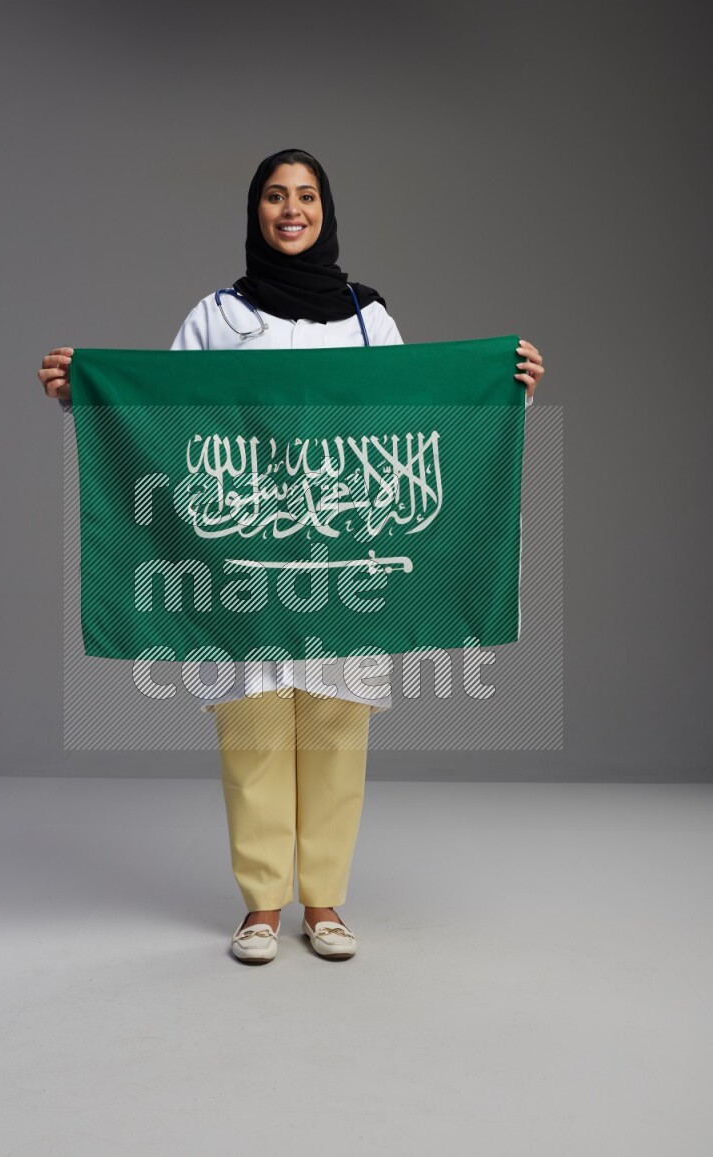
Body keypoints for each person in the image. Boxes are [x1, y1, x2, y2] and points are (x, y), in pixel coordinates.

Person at [39, 148, 545, 965]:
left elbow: (423, 414)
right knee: (255, 728)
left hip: (347, 551)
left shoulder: (366, 317)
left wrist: (505, 384)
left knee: (337, 727)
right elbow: (163, 415)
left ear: (326, 209)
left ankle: (326, 901)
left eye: (305, 196)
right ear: (255, 212)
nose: (290, 210)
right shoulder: (215, 316)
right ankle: (261, 907)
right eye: (275, 196)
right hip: (245, 556)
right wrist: (84, 394)